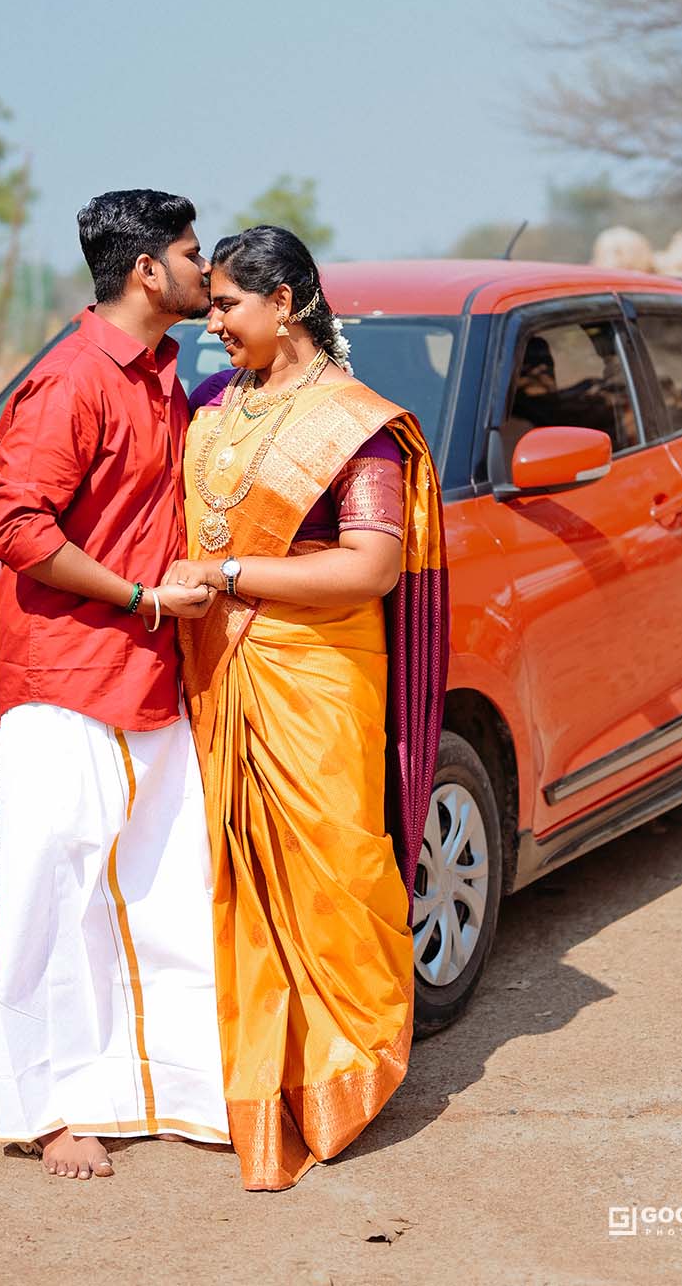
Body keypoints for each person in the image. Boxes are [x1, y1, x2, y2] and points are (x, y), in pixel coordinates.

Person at [166, 225, 449, 1191]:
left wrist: (233, 572)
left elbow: (370, 567)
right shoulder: (215, 405)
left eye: (226, 306)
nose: (211, 325)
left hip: (317, 672)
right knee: (235, 876)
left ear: (285, 302)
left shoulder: (355, 423)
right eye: (207, 304)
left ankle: (338, 1072)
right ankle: (254, 1082)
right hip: (223, 669)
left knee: (331, 869)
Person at [0, 189, 229, 1181]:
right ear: (146, 272)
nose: (203, 269)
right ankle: (51, 1114)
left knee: (163, 895)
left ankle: (166, 1091)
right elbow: (16, 529)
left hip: (152, 674)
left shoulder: (169, 373)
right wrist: (136, 593)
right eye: (190, 252)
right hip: (69, 675)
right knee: (54, 901)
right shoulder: (73, 379)